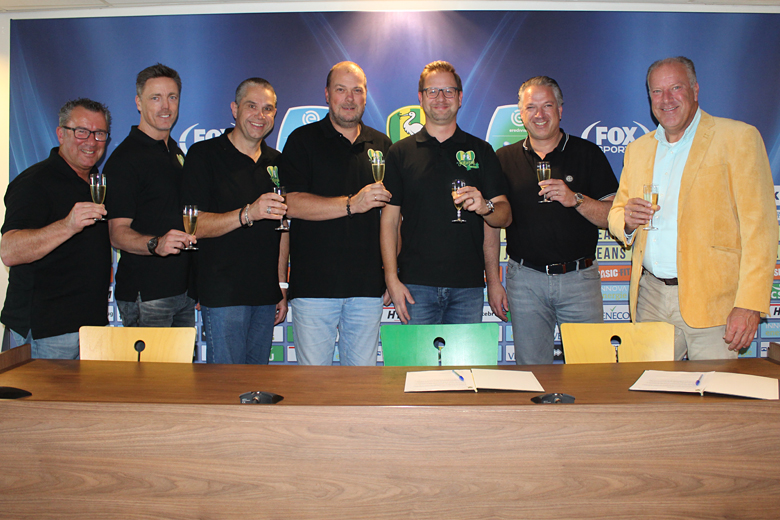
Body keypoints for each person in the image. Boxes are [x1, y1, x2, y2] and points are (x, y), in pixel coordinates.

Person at [607, 56, 777, 360]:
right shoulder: (638, 149)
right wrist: (628, 222)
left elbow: (760, 231)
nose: (666, 99)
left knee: (714, 390)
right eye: (657, 91)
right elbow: (617, 213)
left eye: (675, 88)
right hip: (651, 299)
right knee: (649, 388)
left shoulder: (738, 138)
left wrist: (749, 304)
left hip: (716, 303)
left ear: (695, 90)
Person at [486, 76, 618, 365]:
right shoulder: (503, 158)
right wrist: (494, 282)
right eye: (531, 107)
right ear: (521, 115)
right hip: (525, 282)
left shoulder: (588, 154)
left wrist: (576, 199)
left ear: (560, 110)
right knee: (532, 373)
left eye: (547, 105)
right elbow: (491, 225)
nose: (540, 114)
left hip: (580, 280)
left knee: (591, 370)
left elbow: (612, 217)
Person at [277, 61, 391, 366]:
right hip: (314, 288)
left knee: (361, 384)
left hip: (367, 289)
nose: (349, 98)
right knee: (315, 385)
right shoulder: (302, 140)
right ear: (327, 94)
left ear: (366, 96)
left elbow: (393, 219)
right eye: (341, 90)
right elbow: (291, 205)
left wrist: (392, 275)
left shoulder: (382, 145)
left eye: (357, 90)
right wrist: (353, 203)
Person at [381, 60, 511, 325]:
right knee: (415, 356)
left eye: (449, 91)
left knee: (465, 356)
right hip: (415, 286)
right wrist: (391, 278)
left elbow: (503, 217)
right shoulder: (399, 152)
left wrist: (485, 207)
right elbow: (390, 221)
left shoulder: (482, 151)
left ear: (460, 98)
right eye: (433, 91)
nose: (441, 98)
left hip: (468, 287)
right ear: (421, 98)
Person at [181, 78, 288, 364]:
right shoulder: (204, 155)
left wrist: (280, 284)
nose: (260, 115)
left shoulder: (277, 162)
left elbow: (283, 230)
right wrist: (247, 214)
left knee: (256, 384)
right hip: (223, 295)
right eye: (251, 106)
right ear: (234, 109)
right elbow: (193, 225)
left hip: (265, 295)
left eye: (267, 108)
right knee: (226, 384)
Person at [0, 98, 112, 359]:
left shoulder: (97, 184)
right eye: (81, 131)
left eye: (99, 133)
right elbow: (10, 251)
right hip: (47, 332)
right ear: (61, 134)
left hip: (91, 330)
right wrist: (67, 225)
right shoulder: (34, 182)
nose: (91, 141)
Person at [104, 63, 196, 329]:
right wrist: (156, 244)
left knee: (182, 360)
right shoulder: (124, 159)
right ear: (138, 103)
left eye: (172, 97)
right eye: (155, 98)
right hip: (148, 294)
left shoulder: (175, 152)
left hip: (182, 292)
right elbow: (117, 234)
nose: (165, 106)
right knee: (152, 360)